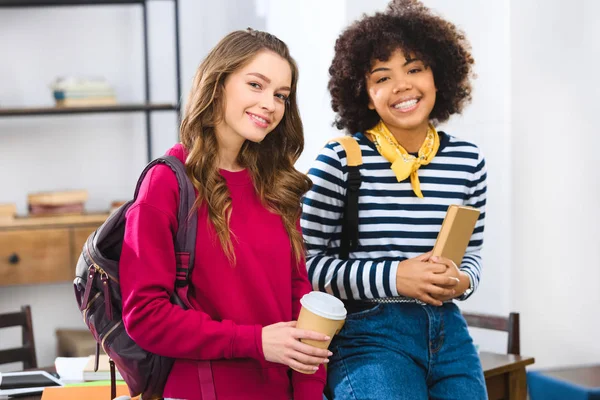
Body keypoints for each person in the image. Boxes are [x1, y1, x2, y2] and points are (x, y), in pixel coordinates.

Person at [119, 29, 328, 400]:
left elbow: (301, 298)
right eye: (256, 85)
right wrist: (255, 342)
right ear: (218, 84)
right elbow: (145, 315)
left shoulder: (277, 185)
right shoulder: (167, 182)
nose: (271, 104)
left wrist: (310, 392)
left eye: (281, 95)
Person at [301, 1, 488, 399]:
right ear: (365, 95)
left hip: (449, 330)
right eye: (382, 77)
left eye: (415, 69)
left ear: (438, 76)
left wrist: (461, 280)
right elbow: (304, 264)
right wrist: (396, 277)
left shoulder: (469, 162)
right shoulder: (340, 160)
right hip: (369, 334)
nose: (402, 85)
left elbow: (472, 253)